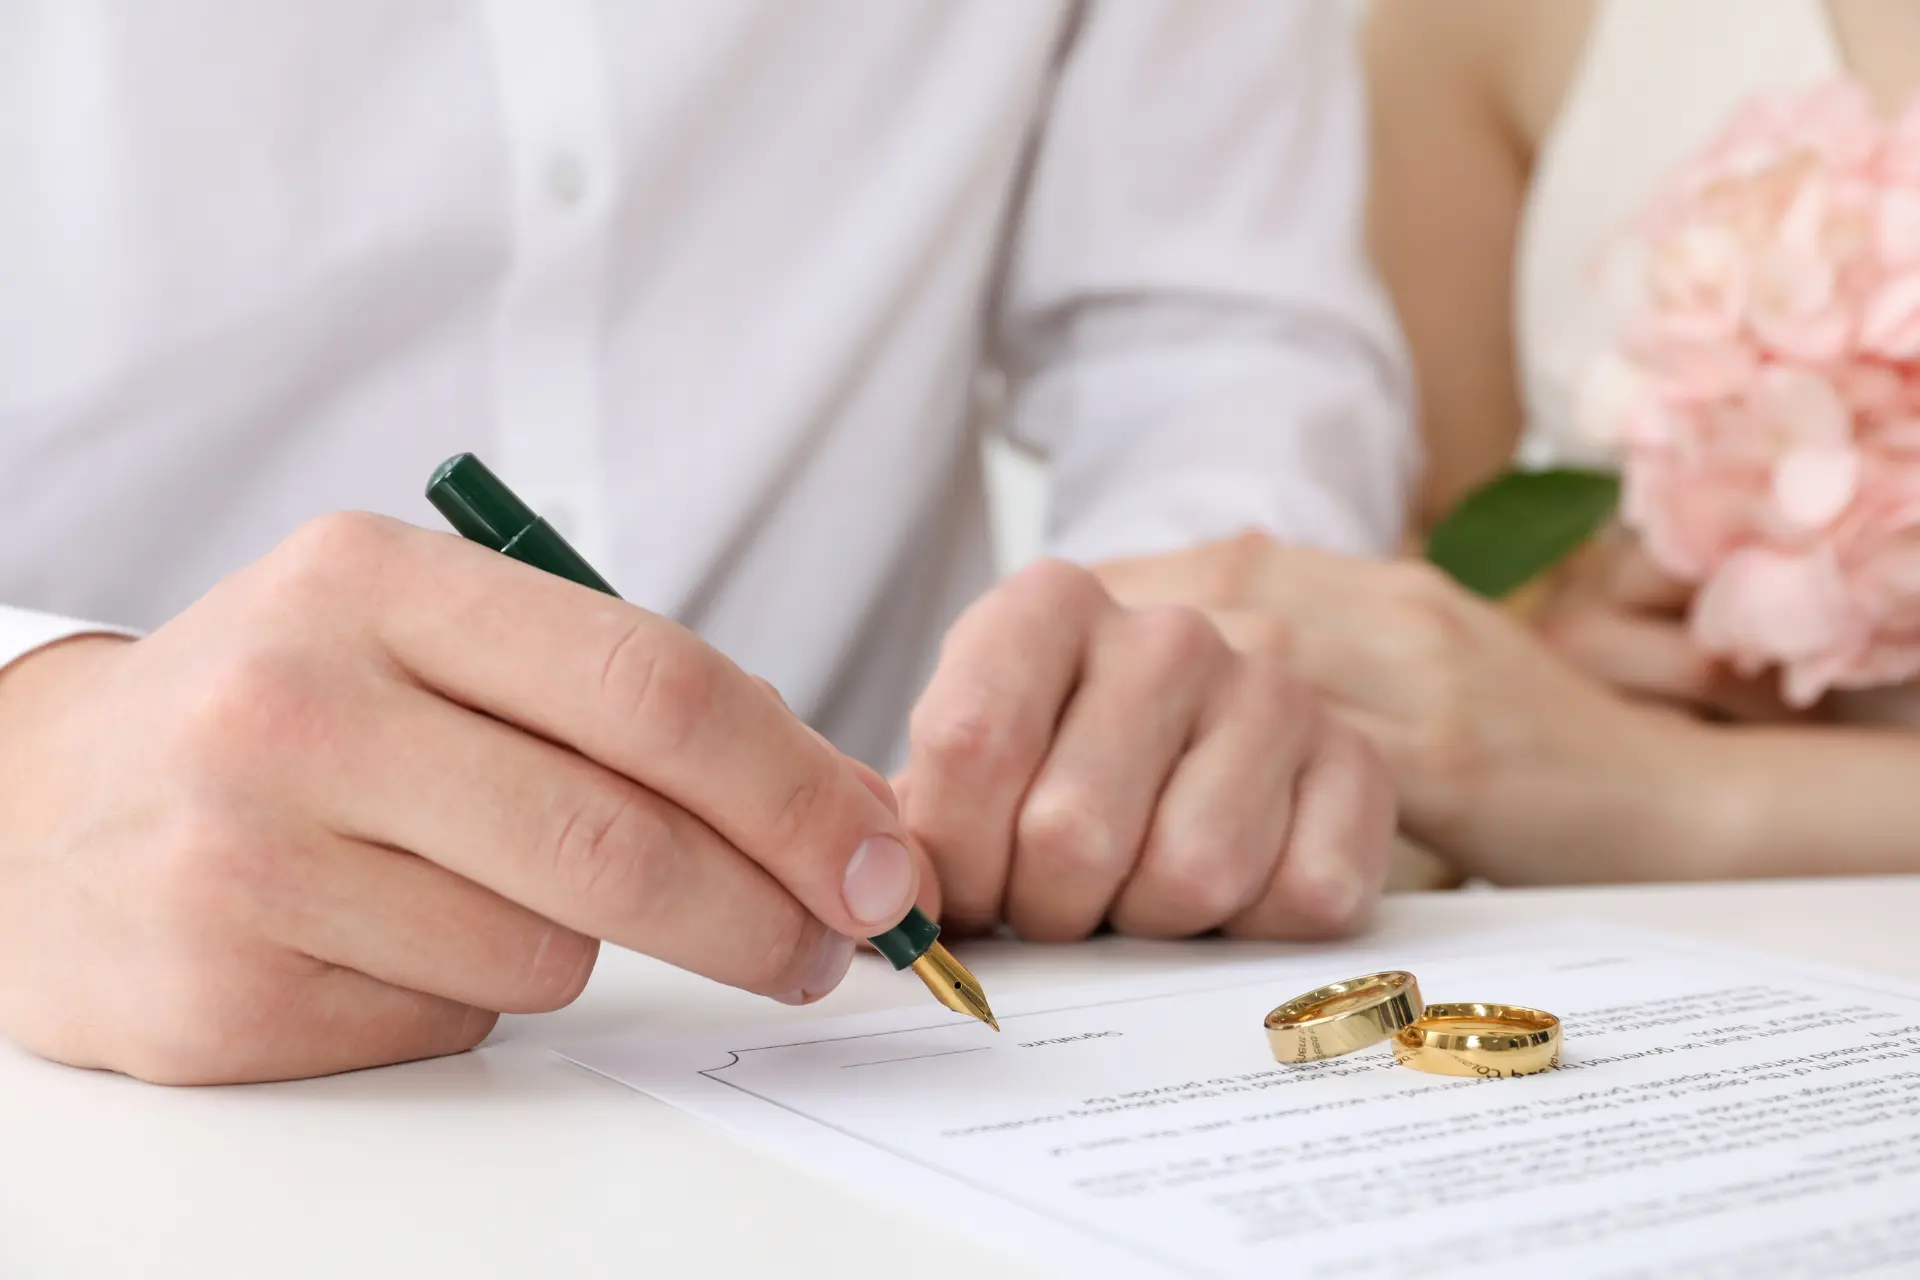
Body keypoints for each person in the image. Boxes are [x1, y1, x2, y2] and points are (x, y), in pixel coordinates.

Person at [0, 4, 1411, 1085]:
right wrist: (33, 750)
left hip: (936, 942)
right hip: (108, 1036)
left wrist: (1134, 692)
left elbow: (1220, 348)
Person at [1101, 0, 1920, 888]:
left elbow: (1595, 787)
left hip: (1664, 858)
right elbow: (1438, 582)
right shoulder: (1473, 26)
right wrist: (1559, 622)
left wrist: (1701, 800)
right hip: (1670, 950)